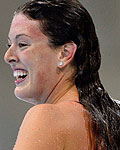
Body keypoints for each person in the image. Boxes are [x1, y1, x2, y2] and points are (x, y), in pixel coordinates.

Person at [4, 0, 120, 149]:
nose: (8, 56)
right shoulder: (113, 119)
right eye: (9, 45)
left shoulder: (47, 118)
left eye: (22, 44)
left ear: (65, 53)